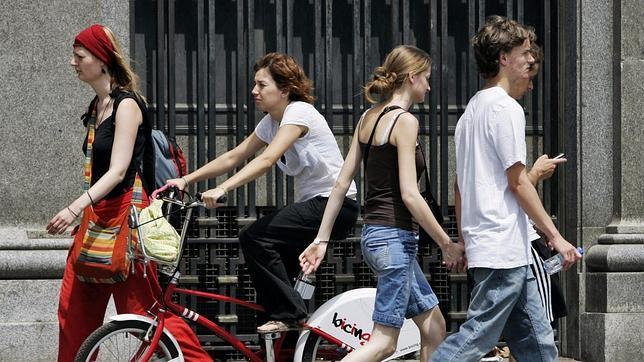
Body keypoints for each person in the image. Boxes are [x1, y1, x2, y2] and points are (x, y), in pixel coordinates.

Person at [46, 24, 211, 361]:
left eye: (79, 56)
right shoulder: (98, 106)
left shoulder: (127, 105)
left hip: (128, 222)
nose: (72, 63)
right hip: (96, 222)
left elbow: (119, 171)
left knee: (146, 316)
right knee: (72, 314)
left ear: (102, 60)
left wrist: (73, 209)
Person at [166, 52, 359, 333]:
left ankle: (290, 313)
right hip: (317, 206)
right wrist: (186, 179)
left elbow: (267, 159)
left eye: (261, 85)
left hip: (336, 206)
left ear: (284, 90)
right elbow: (235, 156)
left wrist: (223, 187)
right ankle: (285, 336)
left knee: (255, 236)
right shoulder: (271, 121)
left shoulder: (299, 113)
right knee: (277, 271)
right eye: (254, 85)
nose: (254, 91)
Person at [299, 45, 464, 362]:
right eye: (426, 79)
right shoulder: (404, 121)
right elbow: (409, 193)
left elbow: (341, 183)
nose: (429, 87)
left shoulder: (368, 117)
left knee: (433, 327)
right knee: (384, 343)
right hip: (395, 240)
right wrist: (446, 243)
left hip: (375, 238)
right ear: (412, 77)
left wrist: (321, 239)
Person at [430, 16, 582, 362]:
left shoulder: (470, 113)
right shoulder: (505, 108)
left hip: (502, 247)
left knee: (538, 345)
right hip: (501, 246)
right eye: (524, 51)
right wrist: (555, 236)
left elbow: (460, 186)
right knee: (476, 338)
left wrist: (467, 238)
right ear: (502, 57)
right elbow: (518, 183)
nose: (531, 59)